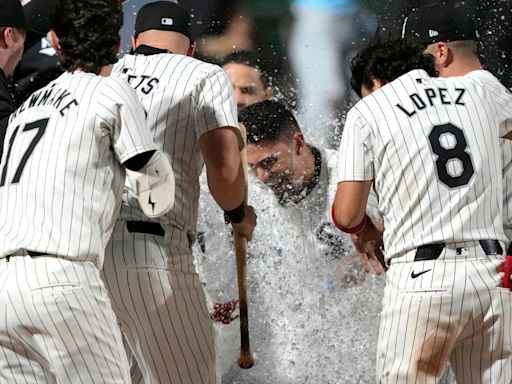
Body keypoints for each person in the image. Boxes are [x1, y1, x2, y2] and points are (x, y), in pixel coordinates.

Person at [0, 0, 175, 382]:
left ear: (54, 41)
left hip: (4, 286)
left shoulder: (22, 110)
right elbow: (156, 193)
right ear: (117, 47)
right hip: (64, 280)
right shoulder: (110, 92)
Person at [332, 37, 512, 383]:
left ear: (374, 80)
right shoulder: (479, 92)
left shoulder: (369, 110)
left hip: (424, 281)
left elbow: (346, 215)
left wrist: (365, 228)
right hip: (492, 276)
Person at [101, 2, 257, 383]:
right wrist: (238, 211)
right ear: (190, 48)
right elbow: (223, 169)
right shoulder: (203, 74)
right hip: (153, 250)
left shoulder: (103, 73)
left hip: (89, 256)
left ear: (134, 41)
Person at [196, 100, 382, 383]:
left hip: (362, 338)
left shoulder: (350, 178)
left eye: (270, 162)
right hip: (290, 346)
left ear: (298, 142)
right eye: (253, 166)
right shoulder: (247, 196)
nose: (263, 177)